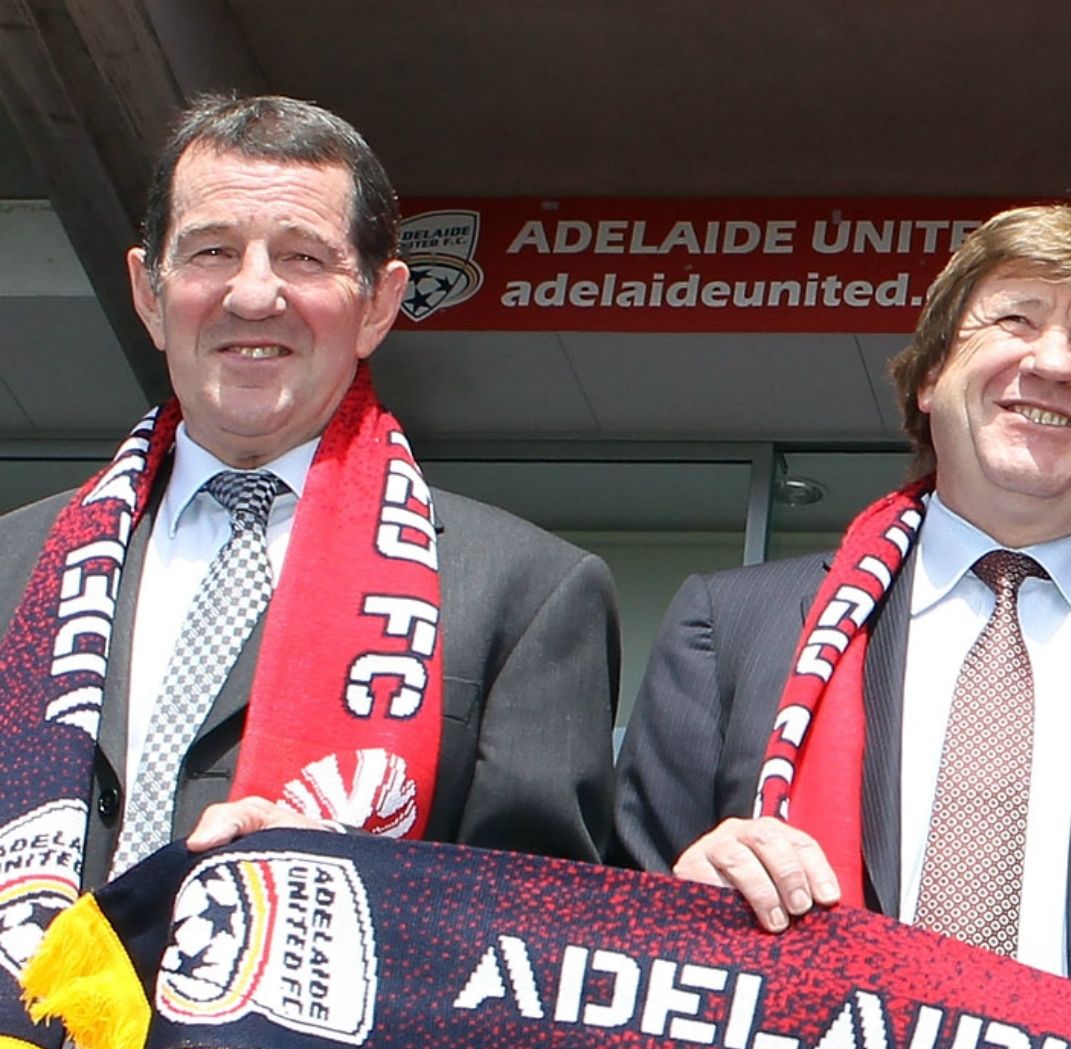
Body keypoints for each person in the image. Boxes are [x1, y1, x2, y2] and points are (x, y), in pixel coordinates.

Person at [610, 204, 1071, 1015]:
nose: (1053, 364)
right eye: (1015, 319)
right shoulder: (731, 630)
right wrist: (674, 909)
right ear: (933, 372)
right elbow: (607, 932)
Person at [0, 93, 618, 892]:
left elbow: (532, 927)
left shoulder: (527, 595)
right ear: (149, 294)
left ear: (379, 304)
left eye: (302, 258)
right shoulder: (14, 564)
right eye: (212, 252)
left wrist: (346, 881)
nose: (253, 296)